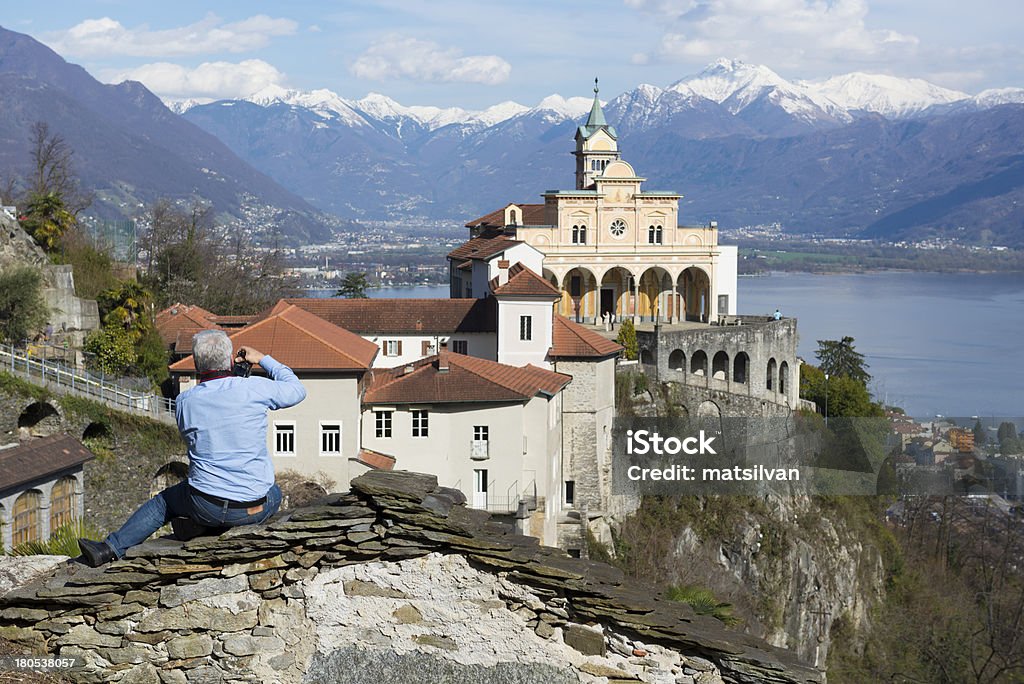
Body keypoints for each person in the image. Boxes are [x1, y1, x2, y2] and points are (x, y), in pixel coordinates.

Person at [77, 330, 306, 567]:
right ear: (229, 360)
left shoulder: (185, 401)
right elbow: (297, 390)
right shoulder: (254, 389)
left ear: (197, 365)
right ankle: (210, 526)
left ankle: (109, 549)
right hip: (253, 508)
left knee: (163, 503)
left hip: (205, 504)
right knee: (275, 491)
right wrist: (262, 359)